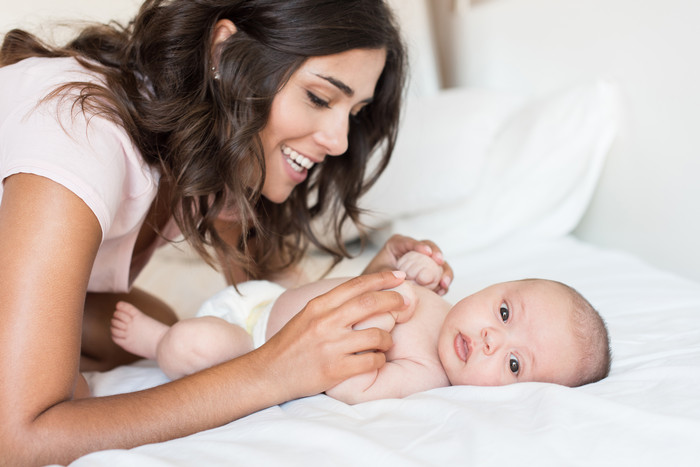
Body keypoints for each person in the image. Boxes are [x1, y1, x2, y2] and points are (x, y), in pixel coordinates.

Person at [0, 1, 454, 463]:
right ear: (224, 51)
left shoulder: (211, 146)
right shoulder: (77, 132)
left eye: (354, 113)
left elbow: (269, 309)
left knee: (145, 324)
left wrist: (363, 292)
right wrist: (269, 374)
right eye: (319, 98)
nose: (339, 141)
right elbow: (19, 440)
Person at [112, 251, 612, 404]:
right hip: (266, 297)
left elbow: (356, 390)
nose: (490, 338)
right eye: (504, 314)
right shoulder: (443, 305)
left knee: (191, 342)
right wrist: (414, 269)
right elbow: (379, 279)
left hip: (256, 343)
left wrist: (362, 337)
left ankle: (159, 340)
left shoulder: (428, 372)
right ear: (495, 287)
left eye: (513, 362)